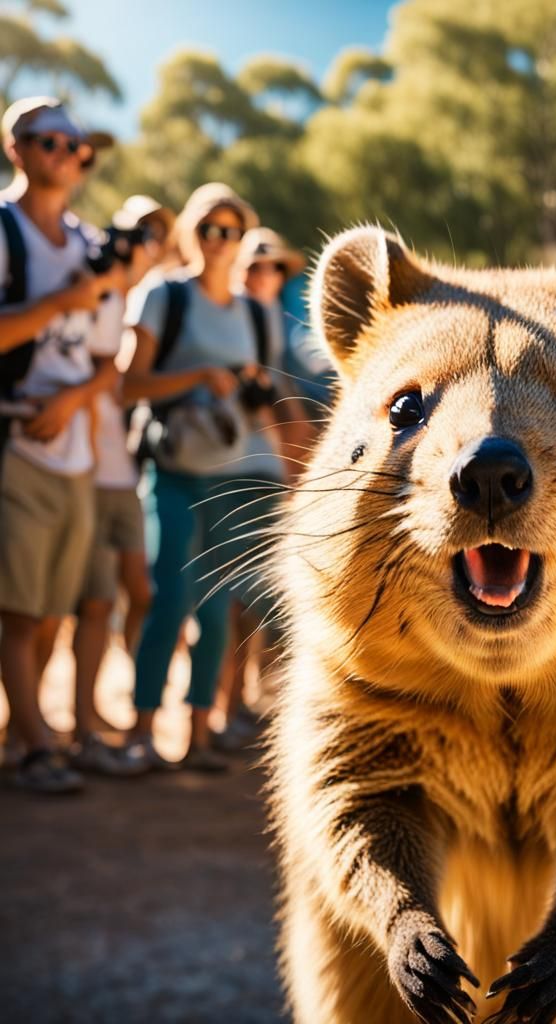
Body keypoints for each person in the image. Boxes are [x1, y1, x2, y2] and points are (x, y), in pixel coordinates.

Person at [0, 97, 120, 793]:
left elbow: (108, 360)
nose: (68, 155)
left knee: (50, 614)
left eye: (78, 147)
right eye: (51, 141)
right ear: (15, 148)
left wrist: (72, 401)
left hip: (75, 452)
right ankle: (38, 749)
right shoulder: (4, 230)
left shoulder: (89, 245)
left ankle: (24, 735)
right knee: (17, 613)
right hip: (15, 445)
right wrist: (54, 307)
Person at [125, 182, 264, 772]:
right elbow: (128, 384)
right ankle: (141, 731)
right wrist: (199, 377)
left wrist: (253, 388)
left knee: (215, 610)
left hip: (229, 474)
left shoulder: (252, 312)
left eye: (231, 231)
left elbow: (260, 399)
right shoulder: (165, 295)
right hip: (174, 469)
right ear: (191, 232)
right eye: (209, 228)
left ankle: (199, 735)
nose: (219, 240)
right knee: (169, 601)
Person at [68, 196, 177, 775]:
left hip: (124, 474)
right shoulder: (96, 290)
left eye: (157, 234)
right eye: (139, 232)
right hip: (80, 469)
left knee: (137, 592)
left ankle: (109, 709)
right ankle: (76, 724)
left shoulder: (149, 300)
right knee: (82, 602)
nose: (147, 244)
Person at [212, 227, 307, 752]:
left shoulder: (274, 324)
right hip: (226, 469)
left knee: (260, 594)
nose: (265, 276)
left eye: (274, 268)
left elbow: (282, 402)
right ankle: (223, 709)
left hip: (266, 471)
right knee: (233, 596)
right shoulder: (231, 317)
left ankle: (247, 700)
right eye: (255, 266)